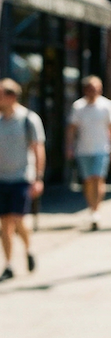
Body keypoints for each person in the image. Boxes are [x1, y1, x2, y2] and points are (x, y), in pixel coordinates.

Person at [0, 79, 44, 281]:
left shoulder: (28, 119)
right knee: (5, 223)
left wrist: (38, 178)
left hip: (21, 177)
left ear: (12, 96)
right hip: (2, 178)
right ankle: (8, 264)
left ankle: (29, 248)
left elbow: (38, 148)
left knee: (18, 220)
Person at [66, 76, 111, 231]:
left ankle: (96, 211)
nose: (94, 91)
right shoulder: (78, 106)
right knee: (88, 181)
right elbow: (71, 128)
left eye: (97, 88)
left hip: (102, 149)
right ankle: (92, 208)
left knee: (98, 179)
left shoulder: (106, 105)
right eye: (91, 88)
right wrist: (69, 147)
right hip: (83, 149)